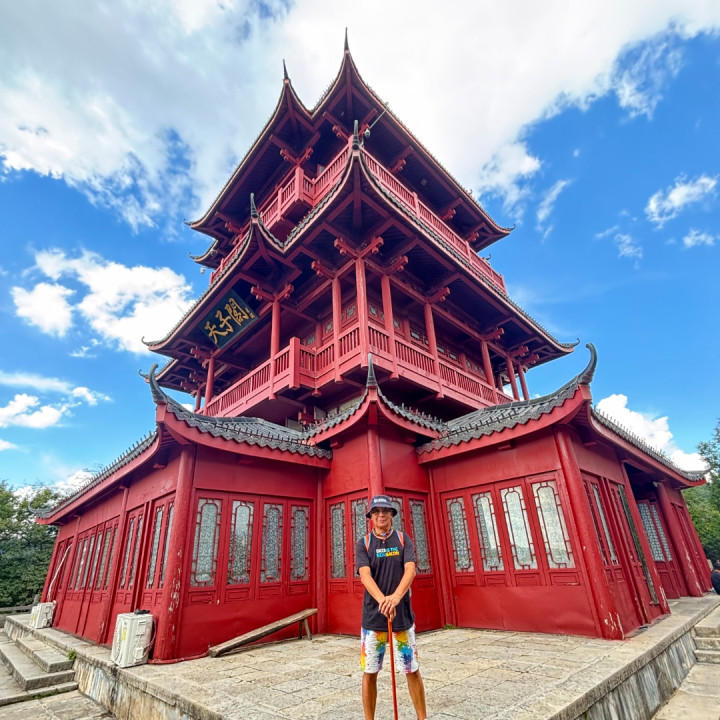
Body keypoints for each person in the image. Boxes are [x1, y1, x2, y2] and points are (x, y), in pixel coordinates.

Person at [356, 494, 427, 720]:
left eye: (385, 511)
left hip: (401, 616)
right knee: (370, 671)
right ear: (371, 517)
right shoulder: (364, 543)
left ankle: (422, 718)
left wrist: (395, 598)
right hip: (373, 617)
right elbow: (365, 576)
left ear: (392, 514)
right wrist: (383, 601)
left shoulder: (403, 539)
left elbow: (410, 570)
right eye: (376, 511)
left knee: (411, 668)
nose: (381, 515)